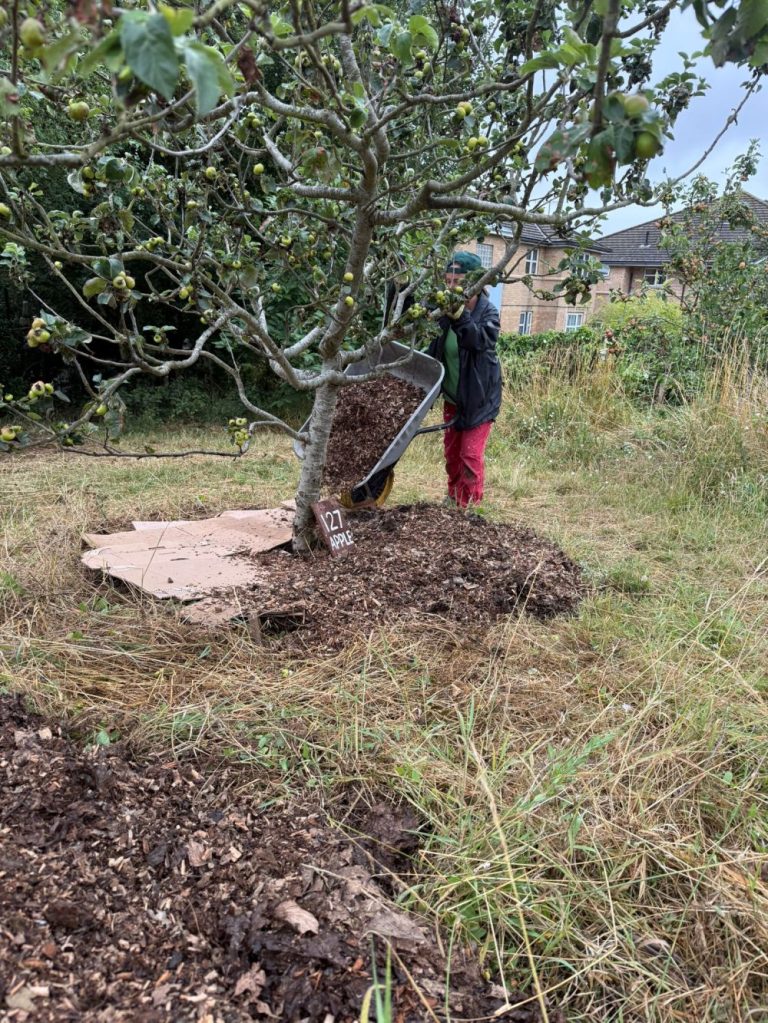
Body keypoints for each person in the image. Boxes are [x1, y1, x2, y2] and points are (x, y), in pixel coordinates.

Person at [427, 251, 502, 509]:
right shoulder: (444, 313)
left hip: (479, 400)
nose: (451, 288)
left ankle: (469, 509)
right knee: (452, 456)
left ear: (475, 284)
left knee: (470, 455)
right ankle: (453, 499)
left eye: (457, 282)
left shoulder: (488, 314)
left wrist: (460, 316)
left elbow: (478, 341)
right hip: (453, 398)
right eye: (447, 282)